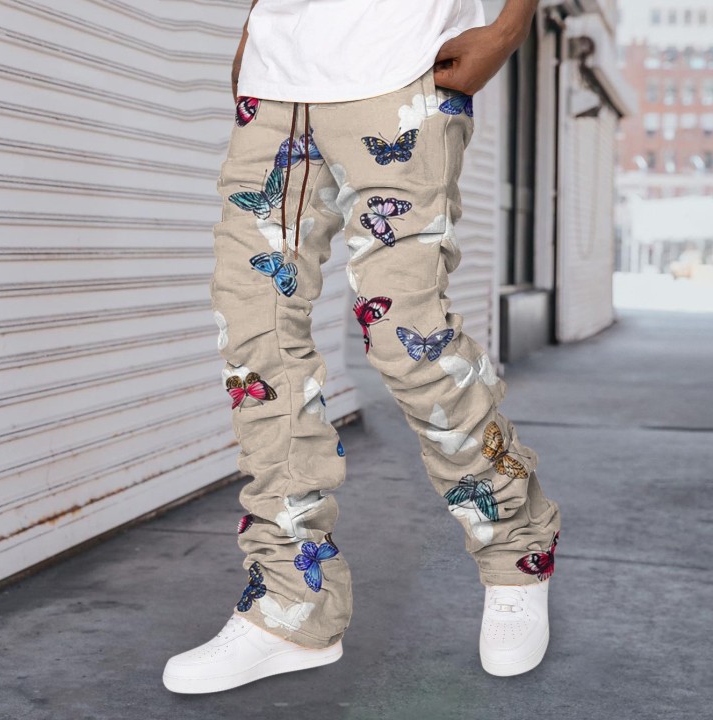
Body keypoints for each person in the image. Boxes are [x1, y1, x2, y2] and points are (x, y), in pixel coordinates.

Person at [162, 0, 561, 693]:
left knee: (407, 334)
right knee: (253, 335)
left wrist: (510, 24)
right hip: (278, 78)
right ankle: (292, 603)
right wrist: (256, 24)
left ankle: (516, 552)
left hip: (403, 64)